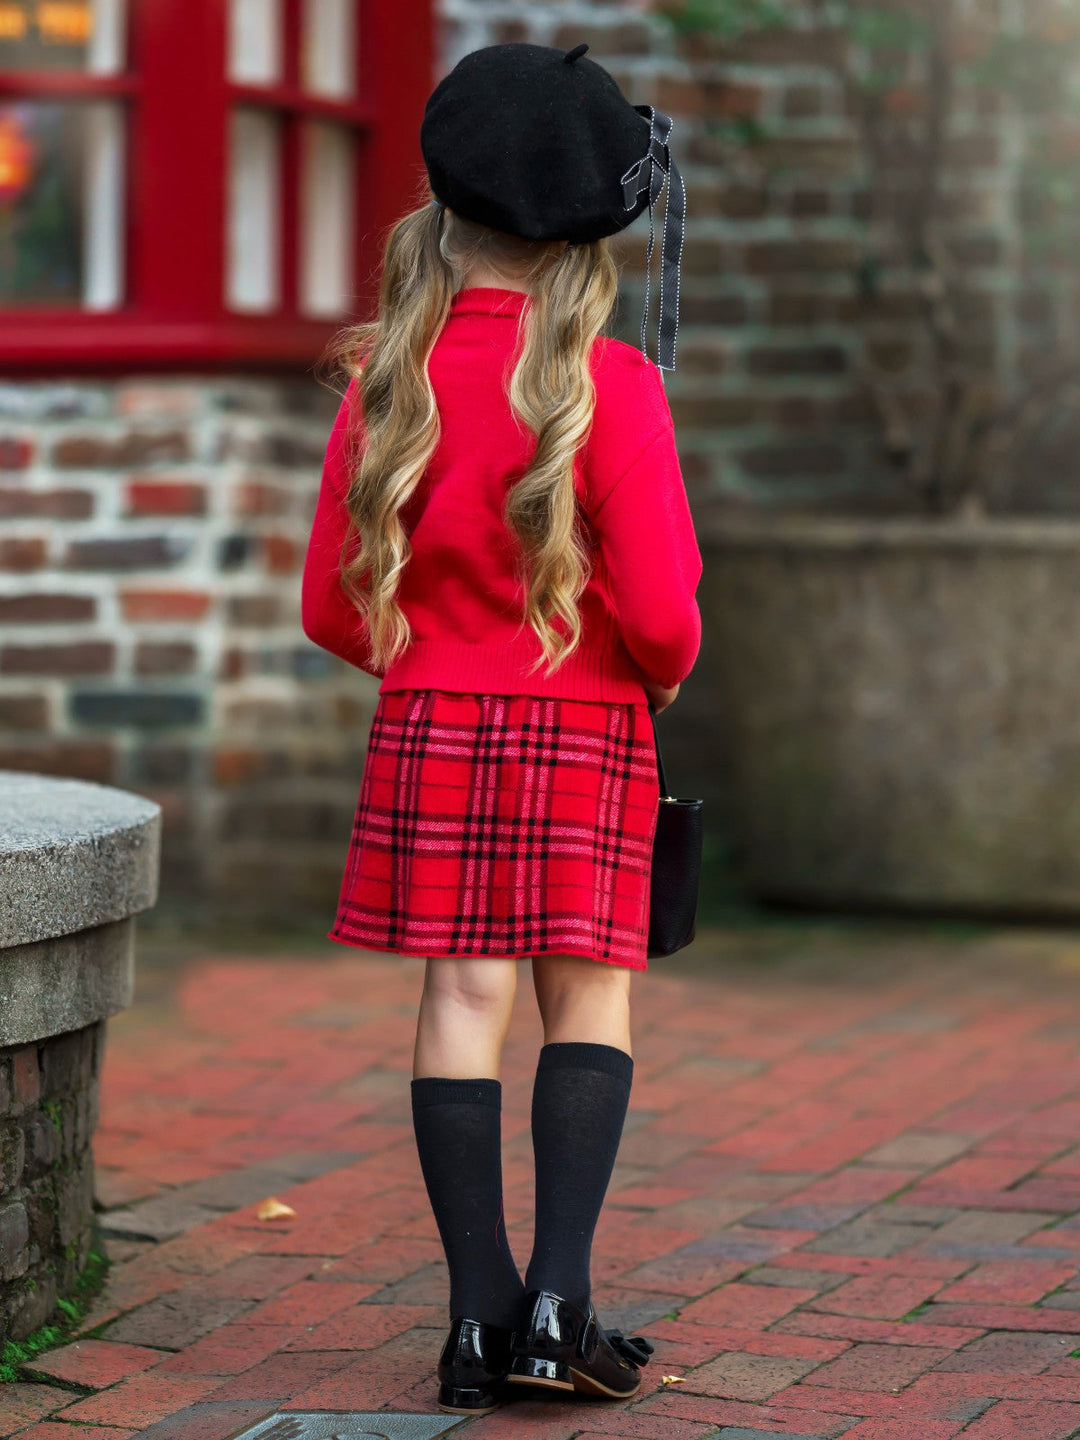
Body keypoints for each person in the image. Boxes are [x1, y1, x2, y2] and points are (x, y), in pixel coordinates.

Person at [300, 40, 701, 1416]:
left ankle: (474, 1318)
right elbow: (663, 612)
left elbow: (330, 607)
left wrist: (429, 665)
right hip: (582, 723)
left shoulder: (388, 381)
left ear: (446, 208)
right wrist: (649, 670)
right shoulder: (610, 386)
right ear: (583, 237)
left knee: (461, 999)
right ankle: (555, 1309)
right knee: (587, 994)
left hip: (432, 728)